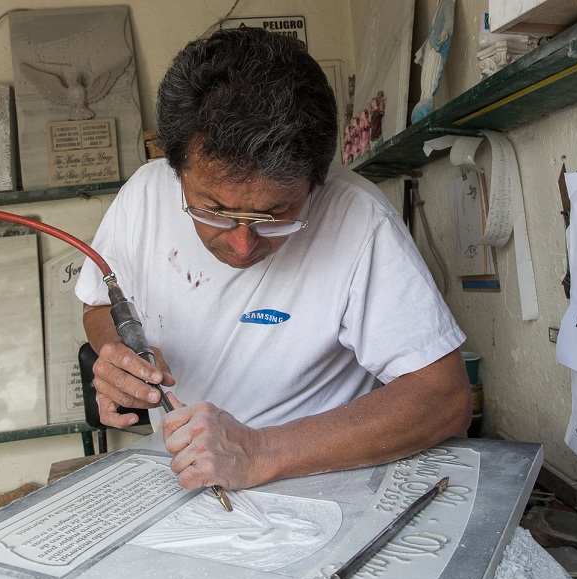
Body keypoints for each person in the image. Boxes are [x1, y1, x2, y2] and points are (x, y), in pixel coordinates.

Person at [75, 28, 471, 493]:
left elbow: (443, 398)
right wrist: (117, 353)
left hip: (313, 482)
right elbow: (99, 303)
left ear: (315, 179)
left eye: (276, 214)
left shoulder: (359, 220)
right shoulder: (143, 196)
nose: (243, 245)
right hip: (183, 472)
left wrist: (262, 451)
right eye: (213, 210)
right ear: (176, 167)